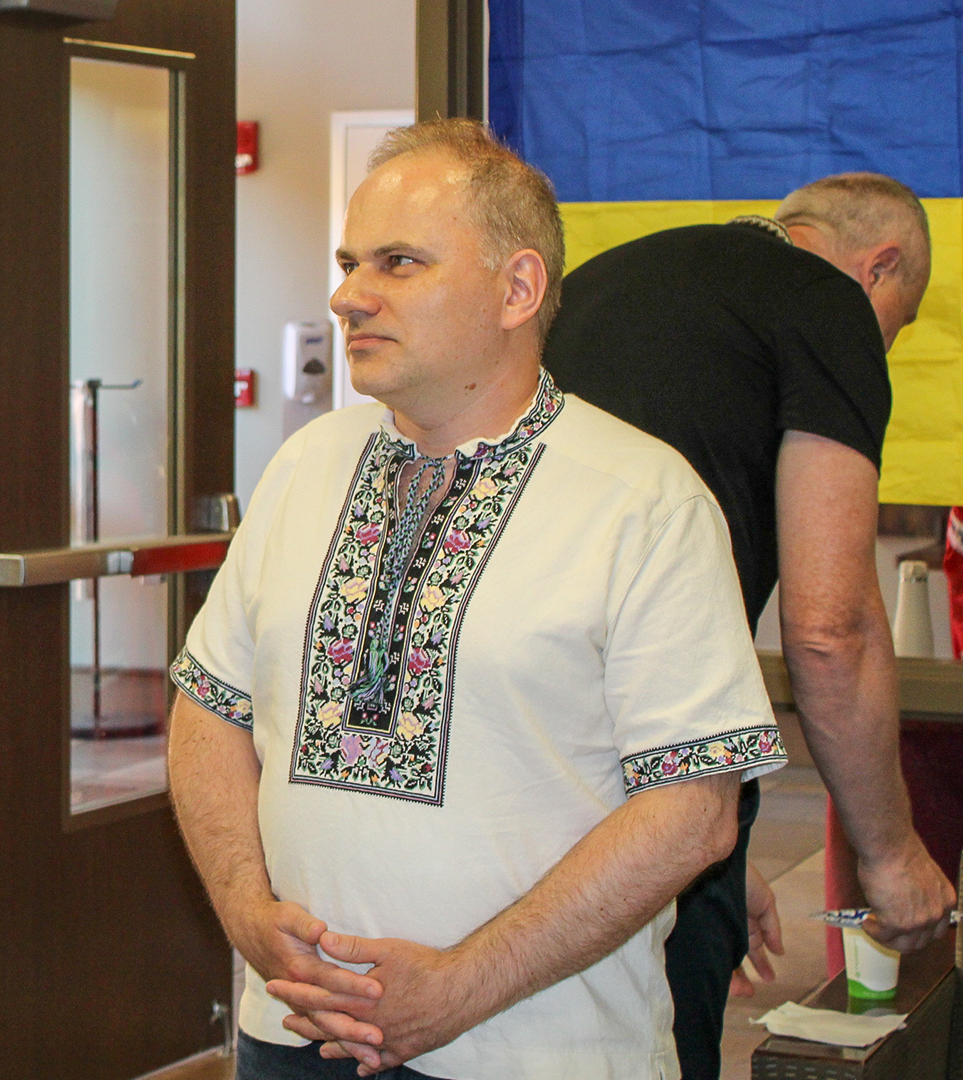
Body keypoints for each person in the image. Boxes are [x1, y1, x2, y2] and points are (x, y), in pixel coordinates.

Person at [167, 118, 787, 1080]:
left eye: (398, 262)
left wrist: (462, 986)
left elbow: (693, 808)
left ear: (518, 289)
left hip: (537, 1054)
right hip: (292, 1033)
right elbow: (209, 709)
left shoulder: (645, 502)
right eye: (349, 263)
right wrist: (248, 911)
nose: (348, 295)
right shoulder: (304, 466)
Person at [545, 172, 956, 1080]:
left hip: (524, 754)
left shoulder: (613, 280)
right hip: (649, 759)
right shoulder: (827, 303)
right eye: (898, 321)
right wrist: (892, 856)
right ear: (880, 267)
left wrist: (720, 853)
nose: (882, 344)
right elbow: (831, 629)